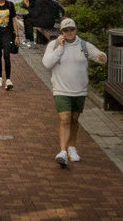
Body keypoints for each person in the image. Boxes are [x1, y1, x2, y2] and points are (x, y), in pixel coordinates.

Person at [41, 17, 107, 168]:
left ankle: (72, 147)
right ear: (62, 31)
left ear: (76, 30)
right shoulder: (54, 45)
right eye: (66, 30)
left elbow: (98, 55)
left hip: (79, 91)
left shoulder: (83, 45)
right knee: (65, 118)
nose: (69, 32)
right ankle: (62, 152)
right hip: (61, 89)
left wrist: (102, 57)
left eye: (72, 29)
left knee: (74, 119)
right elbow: (46, 63)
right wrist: (59, 48)